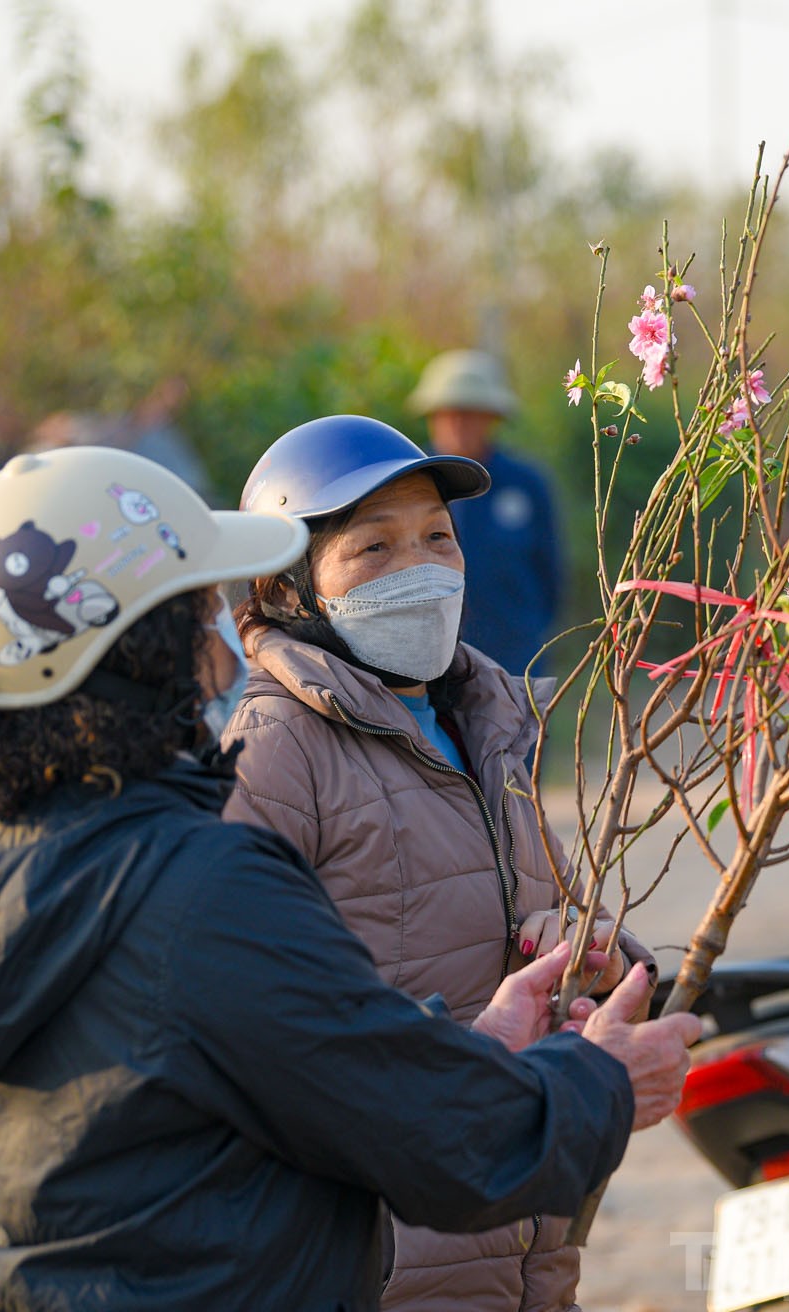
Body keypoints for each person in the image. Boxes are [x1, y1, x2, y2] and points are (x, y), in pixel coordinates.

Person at [0, 446, 701, 1312]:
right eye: (197, 620)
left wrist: (474, 1045)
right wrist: (602, 1083)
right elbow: (432, 1136)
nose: (229, 654)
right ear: (137, 657)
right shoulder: (192, 883)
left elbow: (230, 1066)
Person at [223, 414, 652, 1312]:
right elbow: (244, 1030)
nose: (419, 570)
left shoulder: (493, 725)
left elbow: (552, 915)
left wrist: (598, 955)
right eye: (372, 549)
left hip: (527, 1229)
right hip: (384, 1250)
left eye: (436, 540)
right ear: (288, 586)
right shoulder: (273, 753)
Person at [409, 348, 564, 675]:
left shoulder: (526, 484)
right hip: (427, 666)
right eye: (449, 412)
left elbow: (550, 574)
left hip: (515, 661)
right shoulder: (404, 483)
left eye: (471, 412)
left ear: (494, 416)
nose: (459, 423)